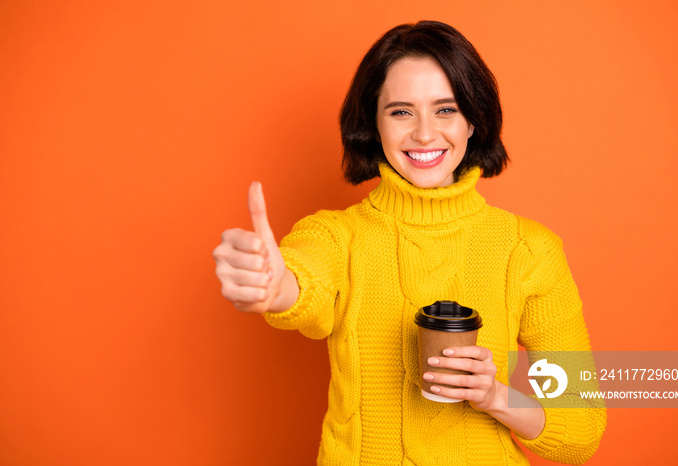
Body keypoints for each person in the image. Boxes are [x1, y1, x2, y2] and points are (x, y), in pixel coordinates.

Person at [213, 20, 606, 465]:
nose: (423, 133)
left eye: (446, 110)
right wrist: (273, 285)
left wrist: (493, 396)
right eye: (401, 111)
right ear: (373, 123)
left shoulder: (530, 251)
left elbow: (580, 432)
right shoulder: (335, 237)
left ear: (474, 120)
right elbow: (301, 283)